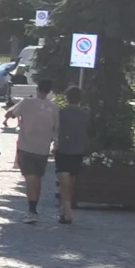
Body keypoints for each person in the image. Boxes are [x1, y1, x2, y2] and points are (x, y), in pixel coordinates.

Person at [6, 81, 60, 225]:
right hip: (43, 149)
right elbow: (57, 129)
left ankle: (32, 210)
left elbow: (10, 114)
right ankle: (34, 207)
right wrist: (55, 143)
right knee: (37, 179)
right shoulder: (54, 108)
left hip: (26, 147)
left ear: (37, 89)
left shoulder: (26, 102)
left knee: (30, 180)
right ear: (49, 92)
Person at [52, 86, 90, 225]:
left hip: (63, 151)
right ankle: (64, 210)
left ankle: (67, 211)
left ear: (67, 98)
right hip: (78, 151)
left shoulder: (61, 113)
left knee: (63, 183)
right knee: (71, 183)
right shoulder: (85, 114)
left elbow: (54, 129)